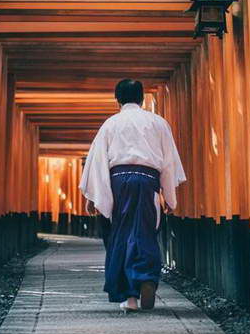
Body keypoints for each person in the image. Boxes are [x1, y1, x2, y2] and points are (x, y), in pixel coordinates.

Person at [79, 79, 186, 312]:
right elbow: (168, 162)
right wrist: (169, 195)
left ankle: (130, 298)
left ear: (117, 99)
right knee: (145, 232)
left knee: (120, 234)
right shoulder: (158, 123)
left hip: (118, 181)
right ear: (143, 98)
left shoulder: (110, 124)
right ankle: (146, 276)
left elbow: (98, 161)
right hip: (148, 180)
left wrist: (92, 197)